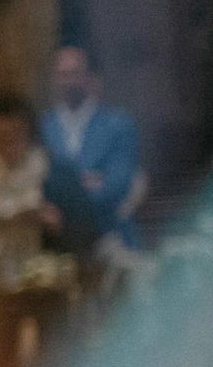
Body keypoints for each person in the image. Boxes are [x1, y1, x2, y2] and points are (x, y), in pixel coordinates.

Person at [40, 45, 145, 252]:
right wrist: (86, 181)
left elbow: (117, 185)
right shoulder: (43, 127)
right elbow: (39, 185)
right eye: (62, 74)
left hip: (110, 236)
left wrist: (66, 199)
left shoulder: (118, 125)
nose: (68, 81)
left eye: (74, 73)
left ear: (89, 76)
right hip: (58, 243)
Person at [0, 94, 59, 274]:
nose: (9, 147)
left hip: (38, 259)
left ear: (27, 132)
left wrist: (51, 219)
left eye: (15, 137)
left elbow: (59, 221)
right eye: (1, 139)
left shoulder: (43, 163)